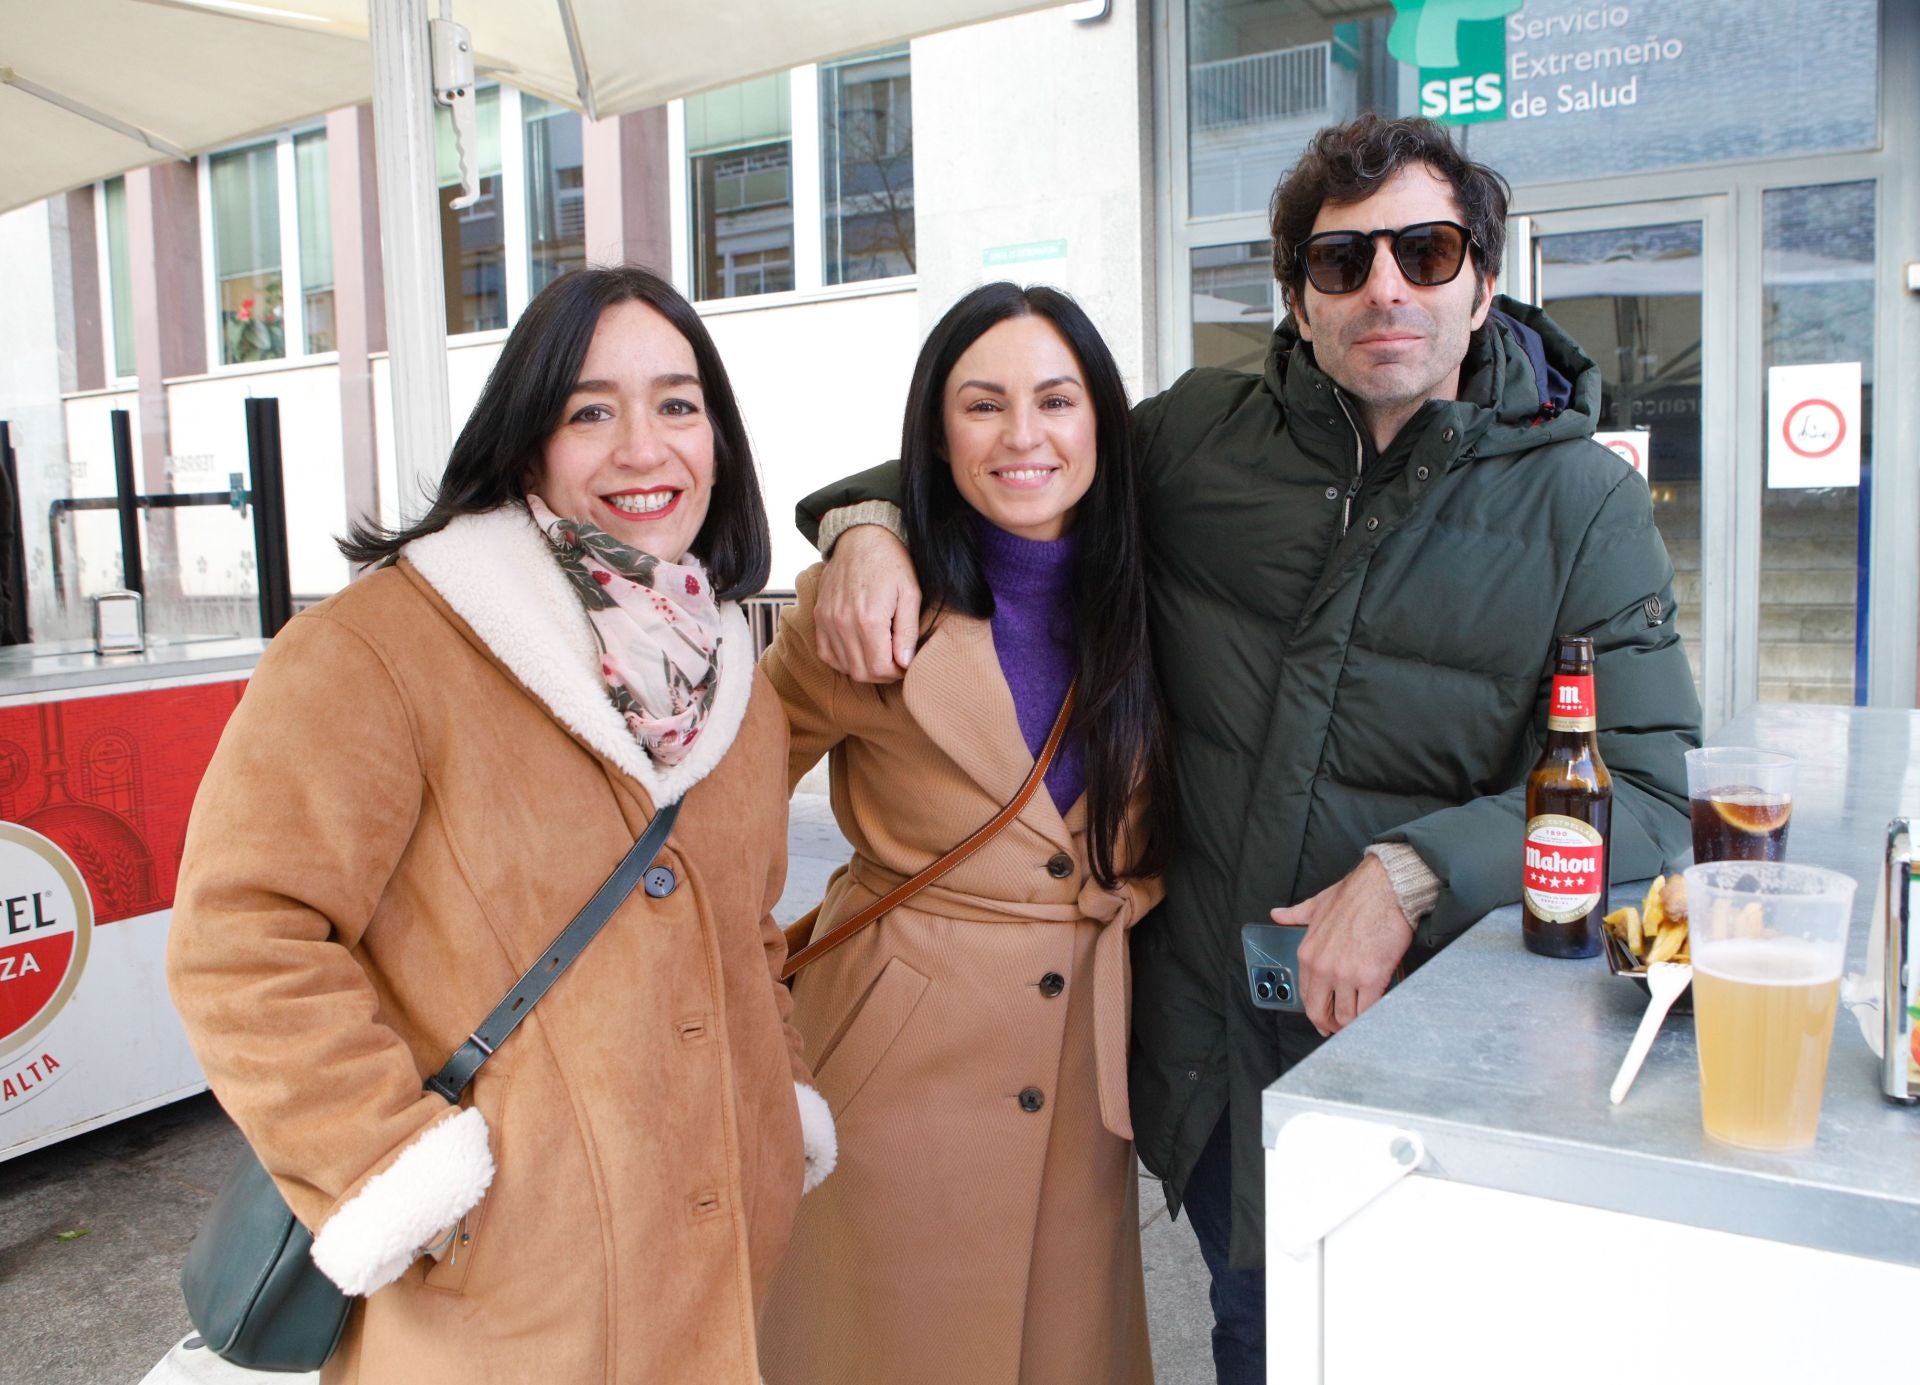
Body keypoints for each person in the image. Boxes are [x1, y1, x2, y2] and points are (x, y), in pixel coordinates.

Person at [792, 116, 1701, 1384]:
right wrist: (869, 529)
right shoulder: (1201, 440)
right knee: (1256, 1338)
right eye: (1343, 262)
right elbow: (1000, 464)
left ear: (1485, 279)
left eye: (1427, 251)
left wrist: (1414, 870)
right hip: (1221, 1067)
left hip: (1435, 1071)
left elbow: (1653, 799)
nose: (1385, 286)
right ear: (1297, 294)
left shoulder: (1580, 502)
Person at [166, 265, 835, 1385]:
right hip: (500, 1294)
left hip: (714, 1265)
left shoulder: (730, 677)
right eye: (591, 410)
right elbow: (242, 937)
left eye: (679, 403)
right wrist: (396, 1168)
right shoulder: (384, 644)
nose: (643, 447)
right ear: (529, 438)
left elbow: (750, 934)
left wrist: (781, 1106)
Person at [756, 283, 1176, 1384]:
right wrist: (735, 980)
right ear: (936, 438)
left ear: (1103, 424)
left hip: (1082, 1053)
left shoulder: (1162, 589)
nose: (1024, 435)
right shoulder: (865, 608)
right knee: (878, 1341)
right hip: (894, 1055)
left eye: (1057, 399)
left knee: (1060, 1347)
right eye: (983, 405)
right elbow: (722, 804)